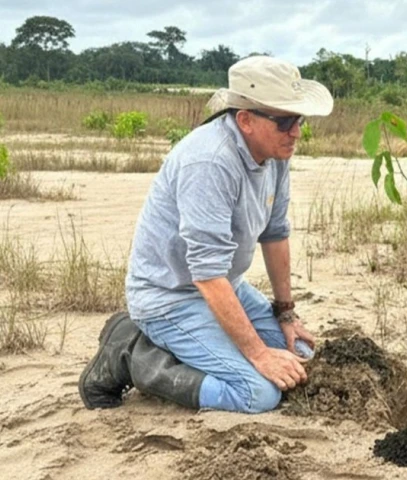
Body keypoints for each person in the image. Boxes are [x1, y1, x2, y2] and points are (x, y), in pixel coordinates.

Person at [79, 56, 333, 413]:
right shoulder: (210, 162)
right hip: (170, 296)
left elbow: (274, 233)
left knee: (297, 356)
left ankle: (197, 347)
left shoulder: (276, 153)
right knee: (258, 392)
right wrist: (258, 355)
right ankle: (132, 353)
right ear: (245, 119)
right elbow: (207, 273)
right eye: (285, 121)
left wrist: (286, 314)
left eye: (299, 120)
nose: (296, 132)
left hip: (226, 286)